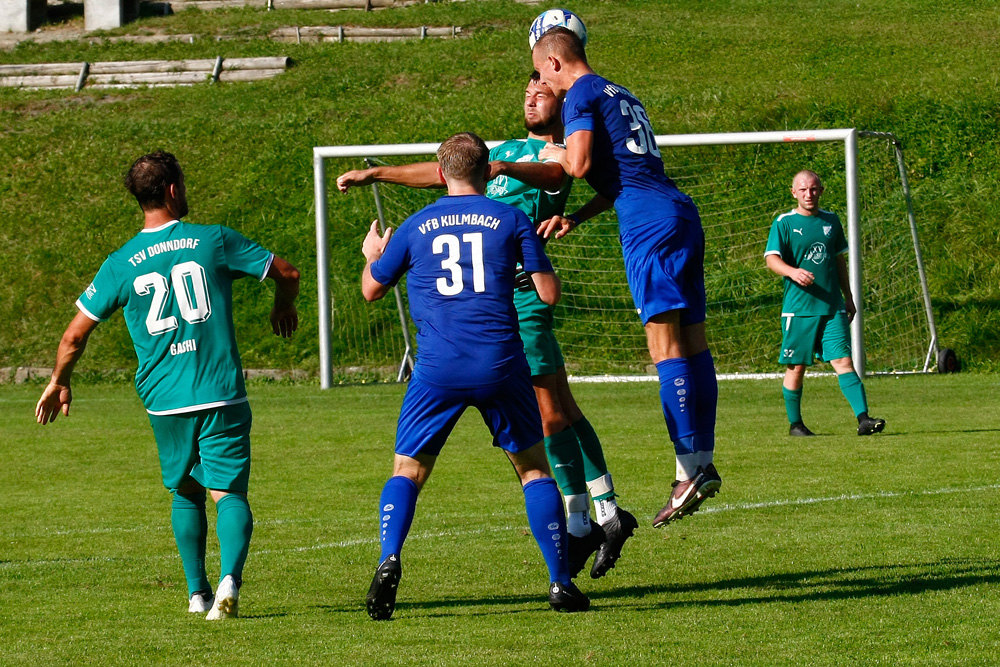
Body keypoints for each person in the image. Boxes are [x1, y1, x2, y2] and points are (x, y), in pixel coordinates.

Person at [337, 72, 637, 581]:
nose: (531, 97)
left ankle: (598, 513)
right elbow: (447, 176)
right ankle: (591, 515)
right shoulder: (504, 151)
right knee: (555, 408)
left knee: (551, 412)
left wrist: (516, 174)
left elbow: (558, 175)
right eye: (526, 92)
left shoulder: (561, 151)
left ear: (563, 103)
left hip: (520, 295)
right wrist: (379, 174)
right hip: (494, 301)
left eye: (542, 92)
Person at [34, 151, 301, 620]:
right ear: (174, 190)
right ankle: (229, 582)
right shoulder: (213, 240)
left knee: (185, 492)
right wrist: (282, 304)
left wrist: (60, 380)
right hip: (220, 391)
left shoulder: (120, 263)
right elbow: (288, 272)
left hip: (165, 399)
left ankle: (197, 594)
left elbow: (75, 334)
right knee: (230, 494)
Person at [360, 132, 589, 620]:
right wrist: (527, 272)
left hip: (437, 368)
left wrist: (371, 255)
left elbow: (372, 291)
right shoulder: (512, 218)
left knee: (408, 471)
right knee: (532, 470)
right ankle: (559, 582)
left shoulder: (416, 223)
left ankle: (389, 559)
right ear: (488, 172)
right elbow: (548, 294)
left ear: (441, 174)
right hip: (500, 365)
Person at [531, 28, 720, 528]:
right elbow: (624, 171)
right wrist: (579, 216)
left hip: (647, 223)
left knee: (666, 349)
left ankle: (687, 471)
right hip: (678, 211)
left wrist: (548, 154)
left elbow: (579, 163)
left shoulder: (581, 93)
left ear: (553, 62)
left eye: (543, 77)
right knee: (694, 344)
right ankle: (701, 462)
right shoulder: (620, 90)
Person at [764, 170, 887, 437]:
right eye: (803, 189)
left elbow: (838, 261)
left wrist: (849, 297)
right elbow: (771, 259)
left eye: (814, 189)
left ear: (821, 191)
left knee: (844, 361)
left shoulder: (831, 221)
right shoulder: (784, 223)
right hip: (799, 310)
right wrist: (792, 271)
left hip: (832, 307)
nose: (809, 194)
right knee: (796, 367)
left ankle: (864, 419)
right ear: (793, 192)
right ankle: (795, 424)